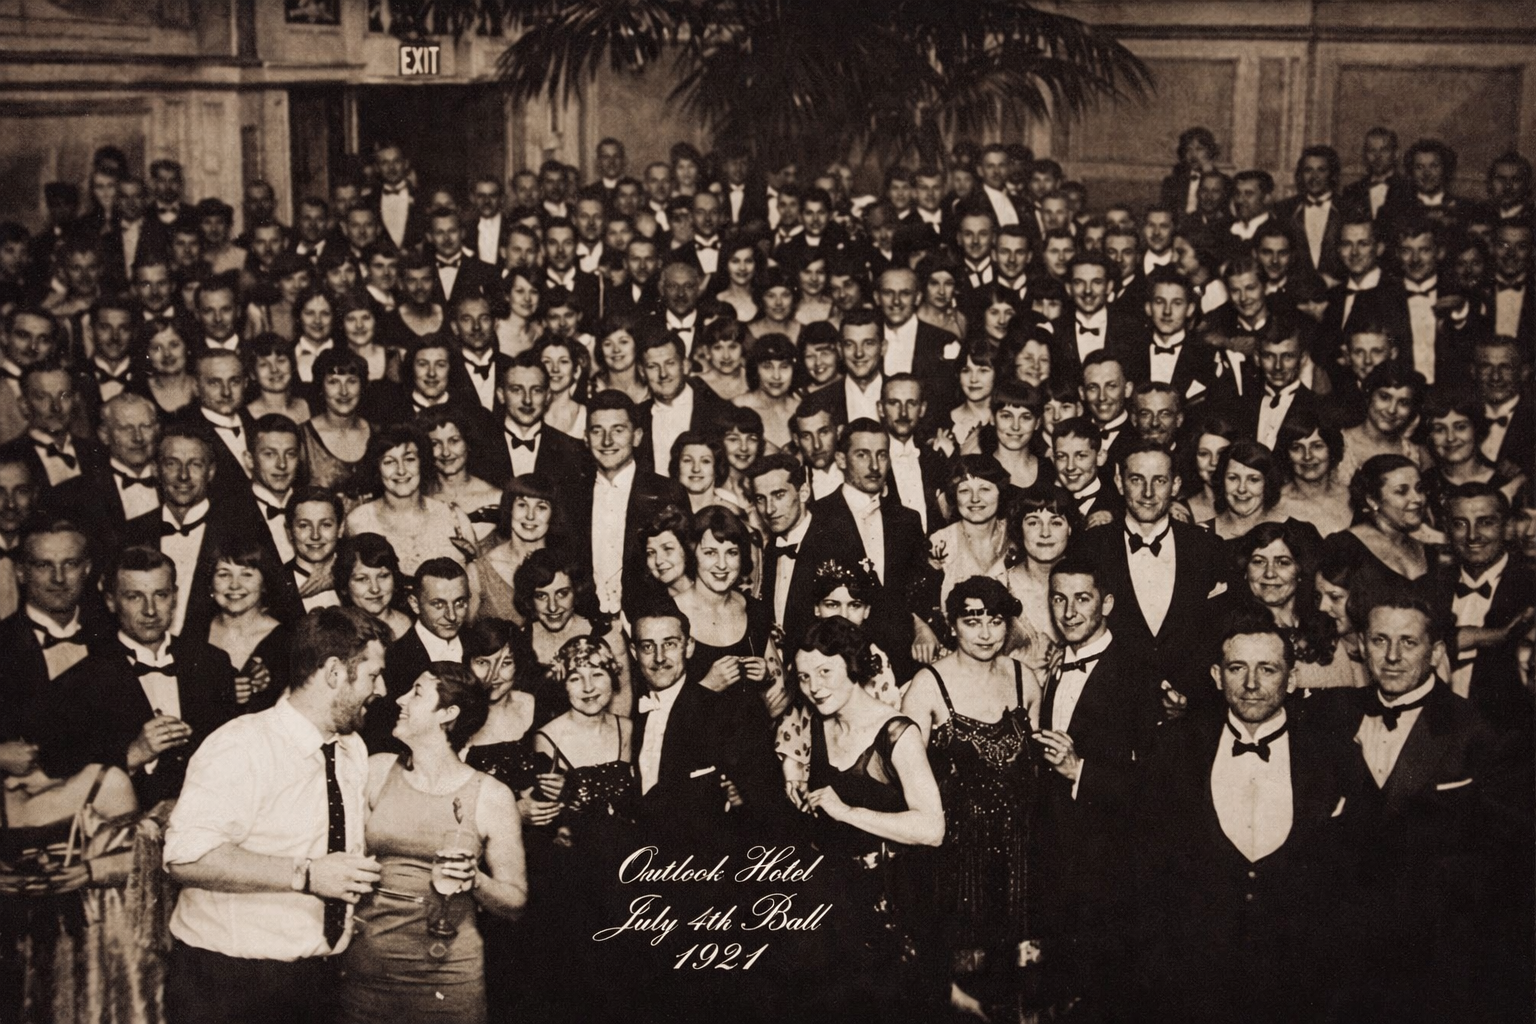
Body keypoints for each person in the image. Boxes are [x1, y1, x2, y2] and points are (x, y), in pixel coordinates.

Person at [162, 607, 386, 1024]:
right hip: (228, 984)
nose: (382, 689)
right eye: (373, 675)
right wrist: (306, 875)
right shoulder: (240, 745)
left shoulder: (351, 748)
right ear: (335, 672)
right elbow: (186, 857)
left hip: (316, 982)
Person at [1133, 615, 1357, 1023]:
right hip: (1198, 987)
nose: (1251, 684)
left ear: (1291, 678)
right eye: (1238, 668)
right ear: (1217, 676)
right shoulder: (1174, 749)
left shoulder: (1332, 754)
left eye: (1267, 669)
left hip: (1301, 989)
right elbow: (1149, 873)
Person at [1333, 594, 1531, 1024]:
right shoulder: (1334, 718)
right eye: (1380, 640)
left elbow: (1497, 871)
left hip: (1435, 966)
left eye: (1408, 642)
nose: (1391, 657)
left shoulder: (1476, 732)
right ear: (1362, 646)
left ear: (1437, 650)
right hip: (1346, 960)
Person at [336, 661, 525, 1024]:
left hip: (448, 976)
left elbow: (515, 901)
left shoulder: (490, 795)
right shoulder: (377, 770)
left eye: (417, 692)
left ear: (448, 713)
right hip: (368, 970)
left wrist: (476, 880)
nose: (401, 699)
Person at [791, 615, 945, 1022]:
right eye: (804, 677)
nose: (814, 687)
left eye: (825, 672)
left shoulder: (896, 733)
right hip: (839, 903)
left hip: (895, 906)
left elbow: (933, 829)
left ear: (853, 665)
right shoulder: (822, 723)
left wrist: (847, 812)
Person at [902, 576, 1042, 1018]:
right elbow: (905, 780)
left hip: (1021, 860)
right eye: (972, 620)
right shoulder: (926, 686)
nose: (985, 633)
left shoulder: (1026, 680)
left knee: (1023, 988)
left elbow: (1036, 770)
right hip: (955, 866)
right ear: (952, 625)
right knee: (964, 996)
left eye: (995, 621)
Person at [1033, 556, 1160, 1016]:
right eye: (1058, 599)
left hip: (1113, 871)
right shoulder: (1054, 663)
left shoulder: (1136, 671)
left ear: (1106, 602)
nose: (1068, 612)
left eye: (1082, 599)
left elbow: (1157, 782)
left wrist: (1080, 770)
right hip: (1058, 866)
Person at [42, 545, 237, 807]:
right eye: (134, 597)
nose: (150, 610)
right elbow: (61, 775)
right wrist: (133, 754)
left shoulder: (213, 663)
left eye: (161, 595)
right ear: (111, 601)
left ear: (175, 597)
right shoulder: (79, 681)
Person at [1, 758, 160, 1024]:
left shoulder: (103, 780)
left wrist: (94, 869)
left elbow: (147, 857)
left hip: (93, 940)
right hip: (16, 945)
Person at [1436, 482, 1535, 725]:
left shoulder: (1531, 589)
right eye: (1460, 524)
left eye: (1485, 522)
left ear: (1507, 527)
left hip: (1510, 742)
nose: (1472, 536)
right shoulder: (1426, 588)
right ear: (1447, 529)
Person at [344, 424, 480, 597]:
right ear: (377, 469)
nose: (401, 470)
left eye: (409, 459)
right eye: (389, 462)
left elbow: (475, 586)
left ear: (422, 463)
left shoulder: (454, 518)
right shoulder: (360, 521)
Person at [1230, 519, 1359, 689]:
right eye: (1258, 562)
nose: (1270, 573)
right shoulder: (1235, 632)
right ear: (1245, 571)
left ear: (1300, 571)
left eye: (1282, 562)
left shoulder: (1325, 626)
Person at [512, 548, 631, 716]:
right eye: (541, 596)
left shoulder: (606, 636)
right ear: (530, 598)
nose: (552, 606)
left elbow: (621, 700)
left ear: (577, 591)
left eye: (562, 594)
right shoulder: (521, 639)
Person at [674, 503, 776, 696]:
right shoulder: (670, 614)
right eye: (710, 552)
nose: (722, 565)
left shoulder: (754, 611)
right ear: (692, 554)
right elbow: (657, 709)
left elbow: (780, 697)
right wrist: (707, 686)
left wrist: (766, 678)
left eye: (731, 553)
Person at [206, 538, 291, 712]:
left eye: (247, 574)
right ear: (210, 583)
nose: (235, 585)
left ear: (264, 583)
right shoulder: (194, 633)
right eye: (224, 574)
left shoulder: (286, 641)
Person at [1003, 486, 1079, 676]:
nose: (1045, 533)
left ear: (1069, 528)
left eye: (1056, 523)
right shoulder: (1000, 587)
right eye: (1033, 523)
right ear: (1019, 528)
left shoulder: (1088, 587)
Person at [479, 472, 559, 625]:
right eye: (522, 505)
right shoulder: (481, 571)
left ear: (553, 514)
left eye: (541, 507)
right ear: (509, 509)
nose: (530, 516)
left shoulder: (565, 566)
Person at [420, 407, 502, 546]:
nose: (446, 452)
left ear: (468, 443)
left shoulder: (497, 498)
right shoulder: (420, 497)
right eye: (435, 444)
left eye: (454, 441)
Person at [301, 348, 372, 494]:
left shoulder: (378, 434)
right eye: (333, 382)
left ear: (362, 385)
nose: (344, 391)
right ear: (321, 387)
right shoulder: (303, 438)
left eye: (351, 381)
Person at [1275, 413, 1354, 536]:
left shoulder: (1351, 497)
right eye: (1296, 448)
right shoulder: (1276, 504)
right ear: (1286, 455)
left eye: (1317, 446)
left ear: (1332, 450)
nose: (1307, 456)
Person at [335, 532, 412, 640]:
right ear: (344, 585)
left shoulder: (416, 621)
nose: (375, 589)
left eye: (383, 576)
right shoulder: (335, 633)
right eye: (362, 579)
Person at [1211, 438, 1287, 540]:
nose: (1241, 489)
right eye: (1233, 478)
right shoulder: (1202, 533)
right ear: (1221, 480)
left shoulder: (1294, 532)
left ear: (1267, 483)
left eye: (1253, 480)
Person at [590, 314, 650, 405]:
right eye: (607, 344)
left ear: (636, 345)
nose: (616, 349)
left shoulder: (652, 388)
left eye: (623, 342)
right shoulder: (591, 391)